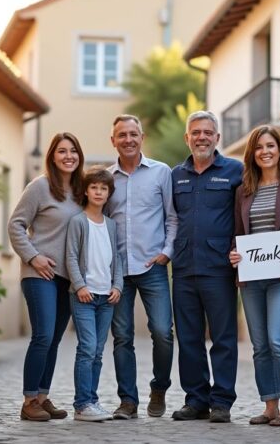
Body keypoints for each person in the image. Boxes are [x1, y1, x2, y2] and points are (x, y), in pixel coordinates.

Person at [228, 125, 280, 427]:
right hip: (252, 276)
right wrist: (234, 253)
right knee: (260, 344)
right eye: (259, 147)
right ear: (252, 154)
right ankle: (270, 406)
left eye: (270, 146)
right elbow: (239, 235)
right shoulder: (243, 191)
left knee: (279, 338)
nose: (265, 151)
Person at [170, 111, 243, 423]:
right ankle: (196, 399)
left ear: (217, 138)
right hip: (184, 268)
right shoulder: (174, 176)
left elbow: (246, 215)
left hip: (220, 268)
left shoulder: (235, 171)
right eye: (196, 132)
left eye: (207, 132)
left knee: (224, 338)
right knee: (188, 338)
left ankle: (222, 401)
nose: (202, 137)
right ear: (187, 138)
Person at [104, 115, 177, 419]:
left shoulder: (162, 173)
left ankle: (159, 388)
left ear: (142, 137)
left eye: (133, 134)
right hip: (117, 270)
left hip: (153, 266)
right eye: (122, 135)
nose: (128, 140)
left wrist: (166, 252)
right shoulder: (106, 179)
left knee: (162, 331)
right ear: (113, 141)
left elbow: (173, 216)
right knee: (122, 336)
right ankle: (128, 401)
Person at [8, 132, 85, 421]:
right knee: (42, 335)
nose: (68, 156)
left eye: (73, 151)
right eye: (62, 151)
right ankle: (29, 401)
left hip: (67, 277)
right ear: (52, 156)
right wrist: (33, 256)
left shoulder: (81, 191)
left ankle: (42, 396)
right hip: (39, 273)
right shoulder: (39, 187)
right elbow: (16, 225)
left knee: (54, 339)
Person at [64, 167, 124, 422]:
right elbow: (70, 256)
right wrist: (80, 286)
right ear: (86, 191)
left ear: (109, 193)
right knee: (87, 347)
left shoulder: (110, 224)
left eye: (104, 188)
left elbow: (117, 259)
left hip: (106, 297)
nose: (99, 192)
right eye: (94, 187)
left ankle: (92, 400)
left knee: (98, 351)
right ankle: (81, 404)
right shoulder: (78, 221)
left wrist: (118, 286)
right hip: (84, 296)